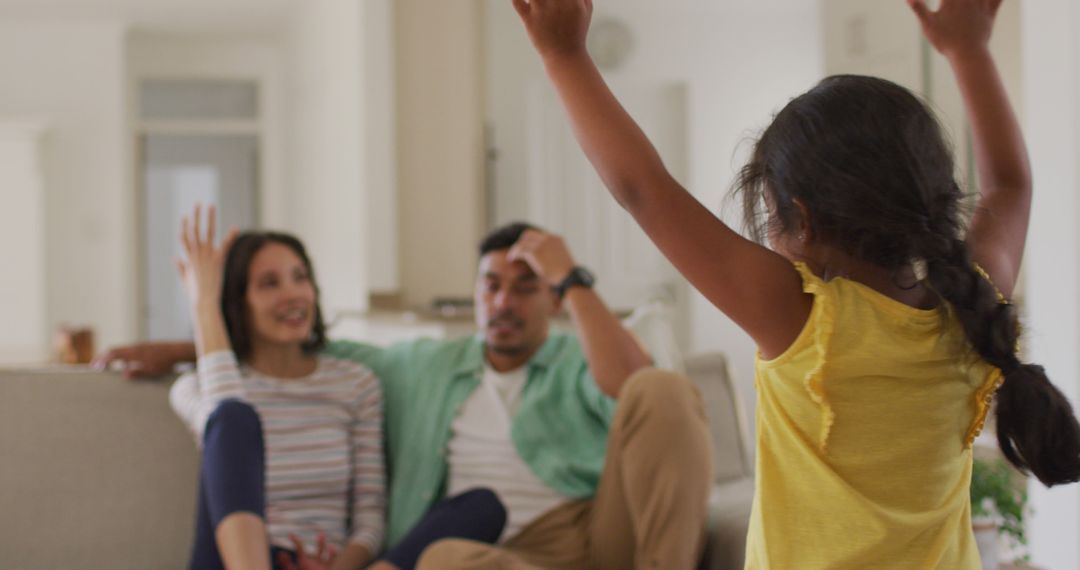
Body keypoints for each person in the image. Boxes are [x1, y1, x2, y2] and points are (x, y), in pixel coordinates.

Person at [512, 0, 1080, 567]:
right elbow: (1010, 185)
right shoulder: (970, 308)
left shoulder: (805, 317)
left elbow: (643, 189)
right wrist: (970, 50)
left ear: (802, 221)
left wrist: (563, 55)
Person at [98, 221, 714, 569]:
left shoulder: (577, 357)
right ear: (473, 293)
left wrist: (573, 278)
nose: (503, 301)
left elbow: (638, 387)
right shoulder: (421, 365)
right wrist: (182, 346)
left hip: (591, 533)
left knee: (663, 387)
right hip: (488, 559)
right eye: (490, 285)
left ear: (551, 299)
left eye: (526, 287)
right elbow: (293, 351)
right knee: (442, 556)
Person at [163, 206, 506, 570]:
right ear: (235, 301)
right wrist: (204, 306)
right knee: (232, 416)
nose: (294, 294)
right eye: (270, 283)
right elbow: (226, 419)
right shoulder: (195, 388)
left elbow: (370, 519)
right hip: (238, 561)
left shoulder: (354, 385)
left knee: (483, 506)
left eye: (301, 277)